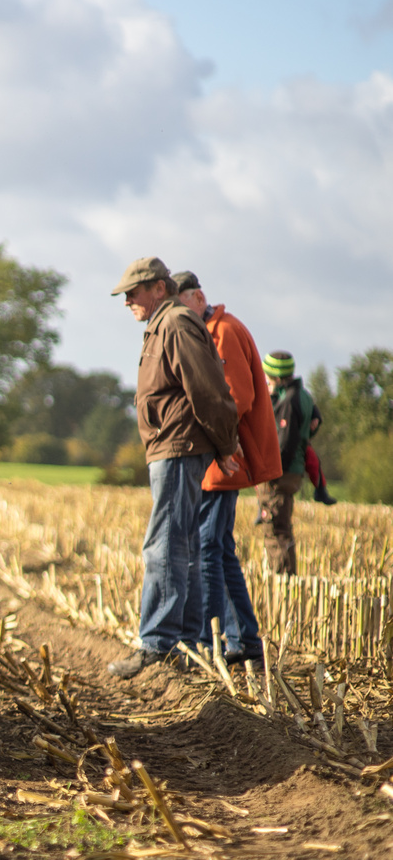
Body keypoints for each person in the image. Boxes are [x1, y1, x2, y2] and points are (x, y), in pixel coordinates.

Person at [106, 258, 240, 680]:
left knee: (164, 545)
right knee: (181, 545)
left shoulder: (176, 323)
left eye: (134, 291)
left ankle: (158, 644)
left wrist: (225, 444)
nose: (127, 301)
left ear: (159, 288)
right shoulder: (164, 324)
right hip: (172, 447)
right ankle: (187, 641)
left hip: (179, 448)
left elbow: (206, 387)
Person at [173, 271, 280, 666]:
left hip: (225, 456)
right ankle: (243, 639)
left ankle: (210, 640)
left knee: (208, 547)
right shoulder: (208, 330)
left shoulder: (224, 331)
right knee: (220, 549)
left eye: (179, 303)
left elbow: (237, 398)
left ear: (198, 297)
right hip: (219, 455)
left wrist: (213, 443)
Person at [257, 350, 324, 575]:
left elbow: (285, 442)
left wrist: (270, 472)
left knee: (276, 529)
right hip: (293, 470)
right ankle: (286, 575)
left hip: (281, 473)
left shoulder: (289, 401)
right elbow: (315, 421)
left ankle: (282, 578)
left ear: (275, 376)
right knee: (282, 525)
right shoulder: (302, 395)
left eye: (267, 375)